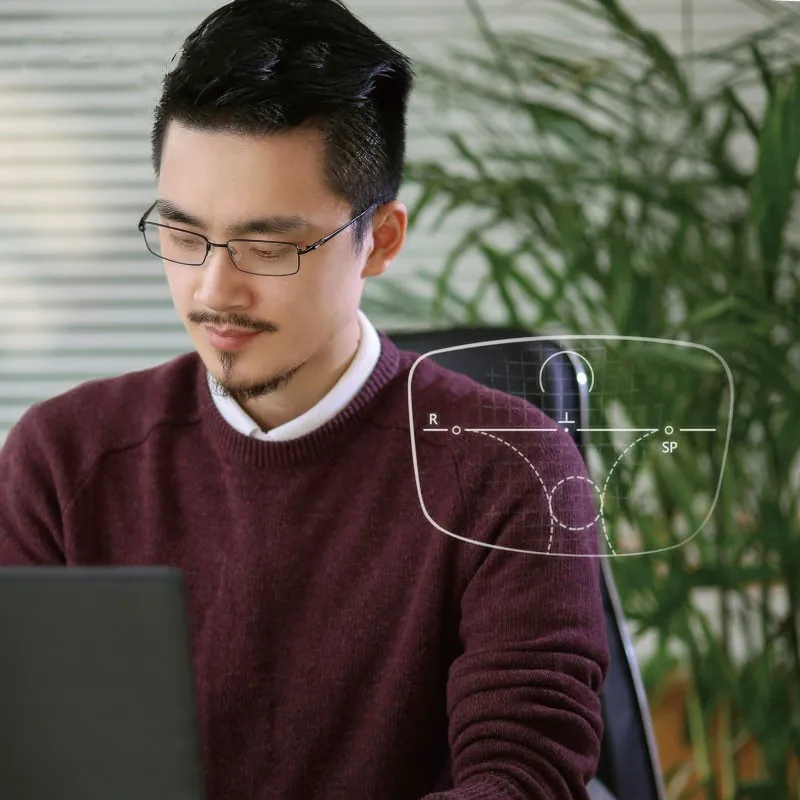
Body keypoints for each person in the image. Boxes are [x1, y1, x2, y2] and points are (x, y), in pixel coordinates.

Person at [0, 1, 610, 797]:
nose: (212, 292)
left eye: (267, 246)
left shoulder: (510, 466)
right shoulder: (63, 458)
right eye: (183, 235)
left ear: (380, 240)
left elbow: (525, 774)